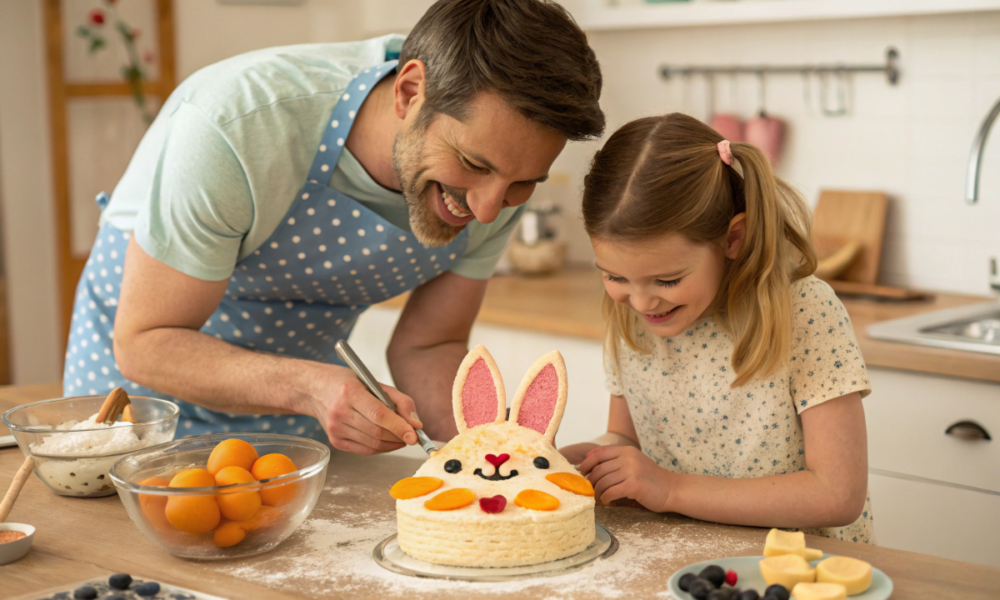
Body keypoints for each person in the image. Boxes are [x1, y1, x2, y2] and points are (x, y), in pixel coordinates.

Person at [64, 0, 604, 453]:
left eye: (522, 185)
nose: (488, 210)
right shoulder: (240, 123)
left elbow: (429, 345)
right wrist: (309, 388)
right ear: (410, 92)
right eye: (475, 165)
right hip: (135, 415)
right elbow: (146, 343)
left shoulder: (491, 184)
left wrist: (498, 455)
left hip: (298, 420)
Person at [560, 113, 874, 543]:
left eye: (667, 280)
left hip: (800, 570)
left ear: (733, 239)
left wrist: (670, 488)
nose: (642, 302)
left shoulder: (804, 311)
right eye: (614, 277)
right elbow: (628, 436)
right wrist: (602, 457)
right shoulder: (631, 312)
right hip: (688, 559)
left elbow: (837, 495)